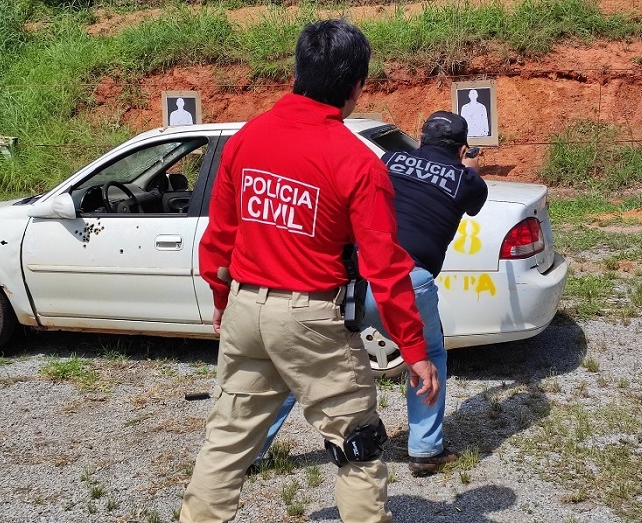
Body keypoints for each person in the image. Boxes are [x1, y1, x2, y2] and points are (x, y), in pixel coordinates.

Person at [179, 19, 439, 523]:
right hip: (310, 319)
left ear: (297, 72)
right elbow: (385, 268)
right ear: (356, 86)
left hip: (244, 308)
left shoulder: (245, 140)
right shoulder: (358, 164)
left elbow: (218, 239)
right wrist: (414, 349)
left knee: (227, 440)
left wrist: (220, 301)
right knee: (358, 443)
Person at [254, 111, 488, 477]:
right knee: (428, 355)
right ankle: (425, 449)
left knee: (301, 358)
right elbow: (474, 199)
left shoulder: (390, 157)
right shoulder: (466, 179)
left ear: (421, 139)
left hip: (357, 273)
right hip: (409, 283)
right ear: (461, 148)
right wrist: (468, 166)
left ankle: (249, 451)